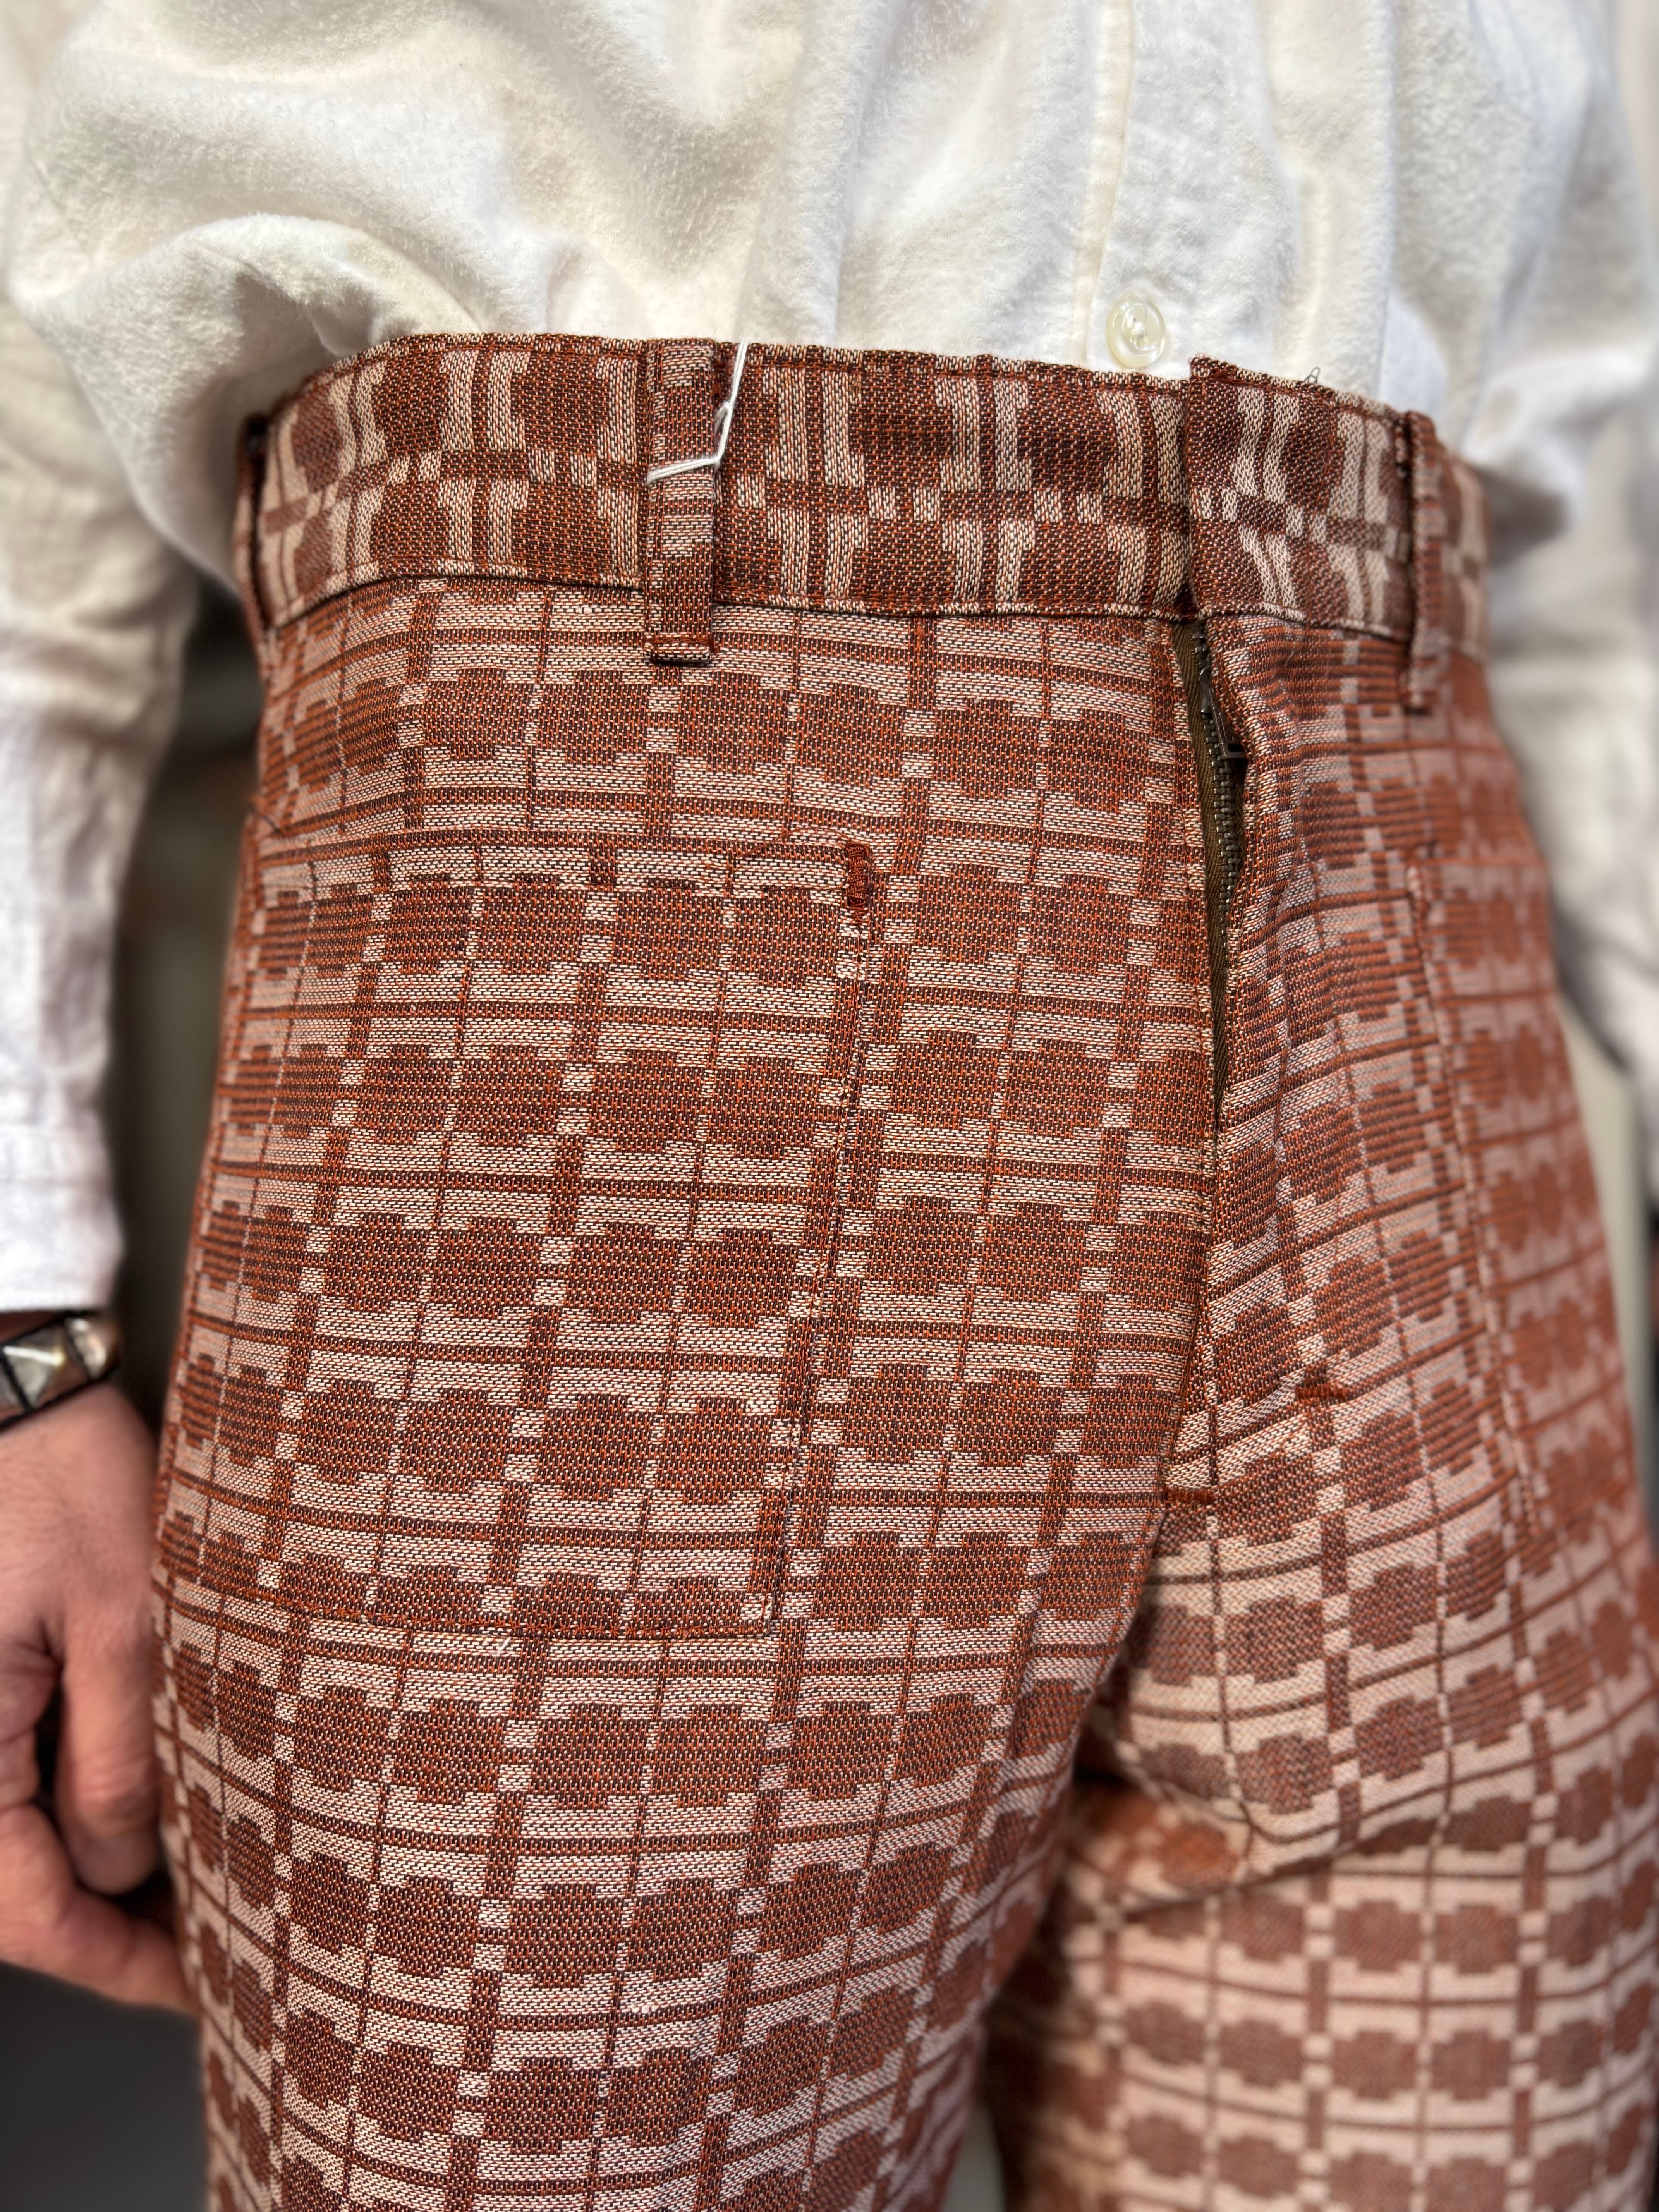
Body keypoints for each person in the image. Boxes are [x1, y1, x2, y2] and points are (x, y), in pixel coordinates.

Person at [2, 7, 1658, 2211]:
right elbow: (24, 387)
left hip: (1428, 932)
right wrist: (15, 1311)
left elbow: (1608, 484)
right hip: (593, 910)